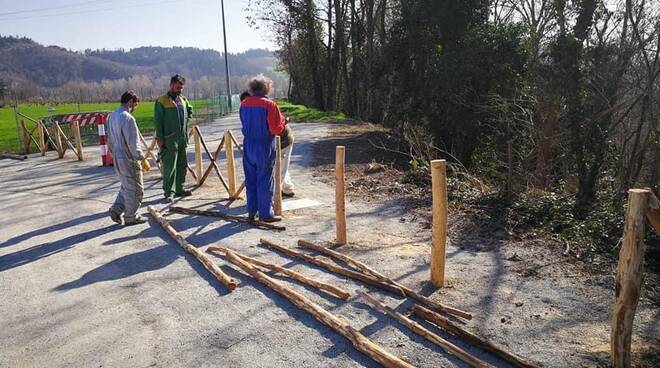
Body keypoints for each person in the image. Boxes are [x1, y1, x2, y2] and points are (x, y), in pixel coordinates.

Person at [239, 75, 286, 222]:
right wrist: (284, 122)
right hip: (264, 145)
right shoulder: (270, 105)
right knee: (265, 179)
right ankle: (266, 213)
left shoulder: (244, 104)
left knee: (250, 178)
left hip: (248, 145)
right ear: (267, 88)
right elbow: (275, 129)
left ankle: (251, 211)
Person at [240, 89, 295, 198]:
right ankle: (287, 189)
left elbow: (276, 129)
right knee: (279, 166)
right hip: (270, 143)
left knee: (279, 169)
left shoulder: (266, 107)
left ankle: (274, 197)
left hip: (283, 141)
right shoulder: (249, 112)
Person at [107, 91, 146, 225]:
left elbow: (110, 139)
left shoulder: (112, 116)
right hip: (128, 158)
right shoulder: (128, 118)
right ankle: (131, 216)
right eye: (134, 105)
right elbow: (132, 142)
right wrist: (140, 157)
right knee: (136, 189)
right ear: (130, 102)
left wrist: (113, 154)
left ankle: (116, 210)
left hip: (117, 156)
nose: (134, 108)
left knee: (126, 186)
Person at [155, 74, 194, 202]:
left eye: (181, 88)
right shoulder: (161, 101)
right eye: (177, 87)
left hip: (182, 138)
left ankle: (179, 189)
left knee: (182, 164)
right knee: (169, 166)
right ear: (171, 85)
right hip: (168, 139)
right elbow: (158, 121)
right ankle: (169, 192)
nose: (179, 90)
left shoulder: (183, 99)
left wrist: (187, 120)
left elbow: (189, 111)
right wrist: (160, 139)